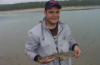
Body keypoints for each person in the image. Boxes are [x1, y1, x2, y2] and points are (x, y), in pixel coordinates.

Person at [25, 0, 81, 65]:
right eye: (51, 12)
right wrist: (39, 59)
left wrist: (75, 46)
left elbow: (69, 39)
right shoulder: (34, 32)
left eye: (57, 12)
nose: (55, 15)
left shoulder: (65, 27)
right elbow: (28, 50)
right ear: (45, 13)